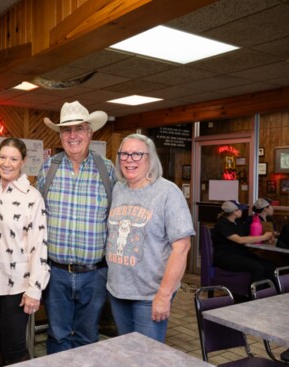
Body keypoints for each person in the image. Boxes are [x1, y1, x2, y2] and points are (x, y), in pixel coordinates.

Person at [36, 101, 116, 354]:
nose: (73, 136)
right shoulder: (49, 169)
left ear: (90, 132)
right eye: (66, 130)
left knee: (88, 336)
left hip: (94, 274)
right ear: (60, 135)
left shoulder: (108, 169)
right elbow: (36, 217)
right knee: (57, 336)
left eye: (79, 129)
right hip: (56, 273)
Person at [105, 133, 194, 343]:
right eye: (124, 154)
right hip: (118, 291)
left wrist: (164, 295)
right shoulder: (118, 189)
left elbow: (182, 247)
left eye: (137, 154)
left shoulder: (167, 192)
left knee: (147, 357)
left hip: (149, 295)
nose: (129, 159)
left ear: (150, 158)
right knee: (127, 351)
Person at [0, 137, 50, 366]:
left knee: (14, 346)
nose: (7, 163)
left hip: (16, 286)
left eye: (14, 159)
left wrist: (34, 290)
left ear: (23, 162)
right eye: (3, 157)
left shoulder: (32, 198)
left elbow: (39, 246)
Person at [212, 199, 276, 283]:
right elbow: (240, 240)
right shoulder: (222, 224)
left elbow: (247, 237)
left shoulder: (237, 222)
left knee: (270, 265)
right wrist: (263, 237)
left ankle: (268, 293)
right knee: (258, 267)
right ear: (235, 212)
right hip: (225, 256)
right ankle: (254, 294)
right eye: (240, 209)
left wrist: (266, 239)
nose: (242, 211)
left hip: (240, 253)